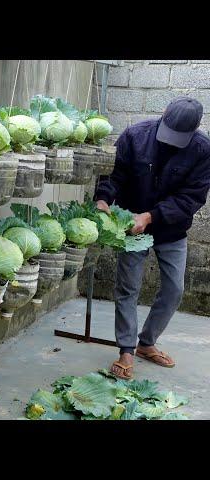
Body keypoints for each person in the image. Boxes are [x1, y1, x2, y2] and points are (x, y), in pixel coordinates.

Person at [94, 97, 210, 380]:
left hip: (170, 229)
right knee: (128, 288)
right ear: (163, 114)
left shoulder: (202, 150)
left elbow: (191, 198)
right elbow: (113, 175)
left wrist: (150, 216)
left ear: (195, 129)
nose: (171, 142)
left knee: (174, 290)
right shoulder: (135, 136)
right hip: (131, 228)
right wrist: (102, 200)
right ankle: (126, 349)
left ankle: (147, 342)